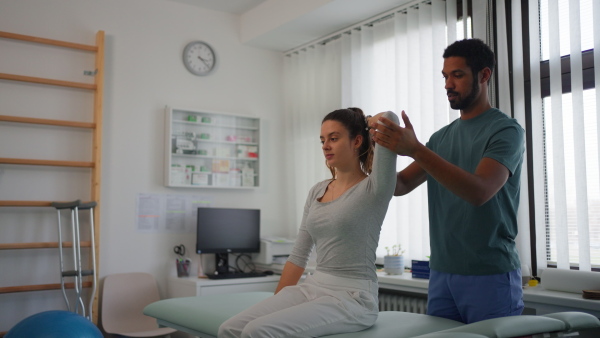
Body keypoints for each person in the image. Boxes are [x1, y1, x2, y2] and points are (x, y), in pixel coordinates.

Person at [369, 38, 525, 324]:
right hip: (441, 273)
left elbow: (480, 191)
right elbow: (399, 186)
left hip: (489, 274)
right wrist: (372, 148)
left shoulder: (506, 131)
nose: (447, 84)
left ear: (484, 75)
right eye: (445, 76)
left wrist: (415, 149)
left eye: (457, 75)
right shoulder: (440, 139)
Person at [218, 108, 399, 337]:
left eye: (334, 138)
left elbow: (389, 120)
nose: (325, 146)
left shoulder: (374, 188)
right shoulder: (317, 190)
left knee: (257, 331)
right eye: (323, 140)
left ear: (357, 141)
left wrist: (367, 121)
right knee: (229, 329)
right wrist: (277, 305)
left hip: (353, 297)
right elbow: (298, 256)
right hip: (313, 286)